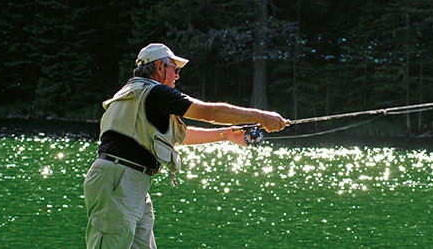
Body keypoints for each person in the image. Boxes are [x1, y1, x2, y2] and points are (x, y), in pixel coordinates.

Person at [83, 43, 288, 249]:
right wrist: (261, 116)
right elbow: (209, 113)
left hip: (128, 181)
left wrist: (225, 135)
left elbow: (179, 137)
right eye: (175, 69)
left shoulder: (135, 93)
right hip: (119, 181)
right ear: (160, 68)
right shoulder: (154, 93)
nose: (177, 76)